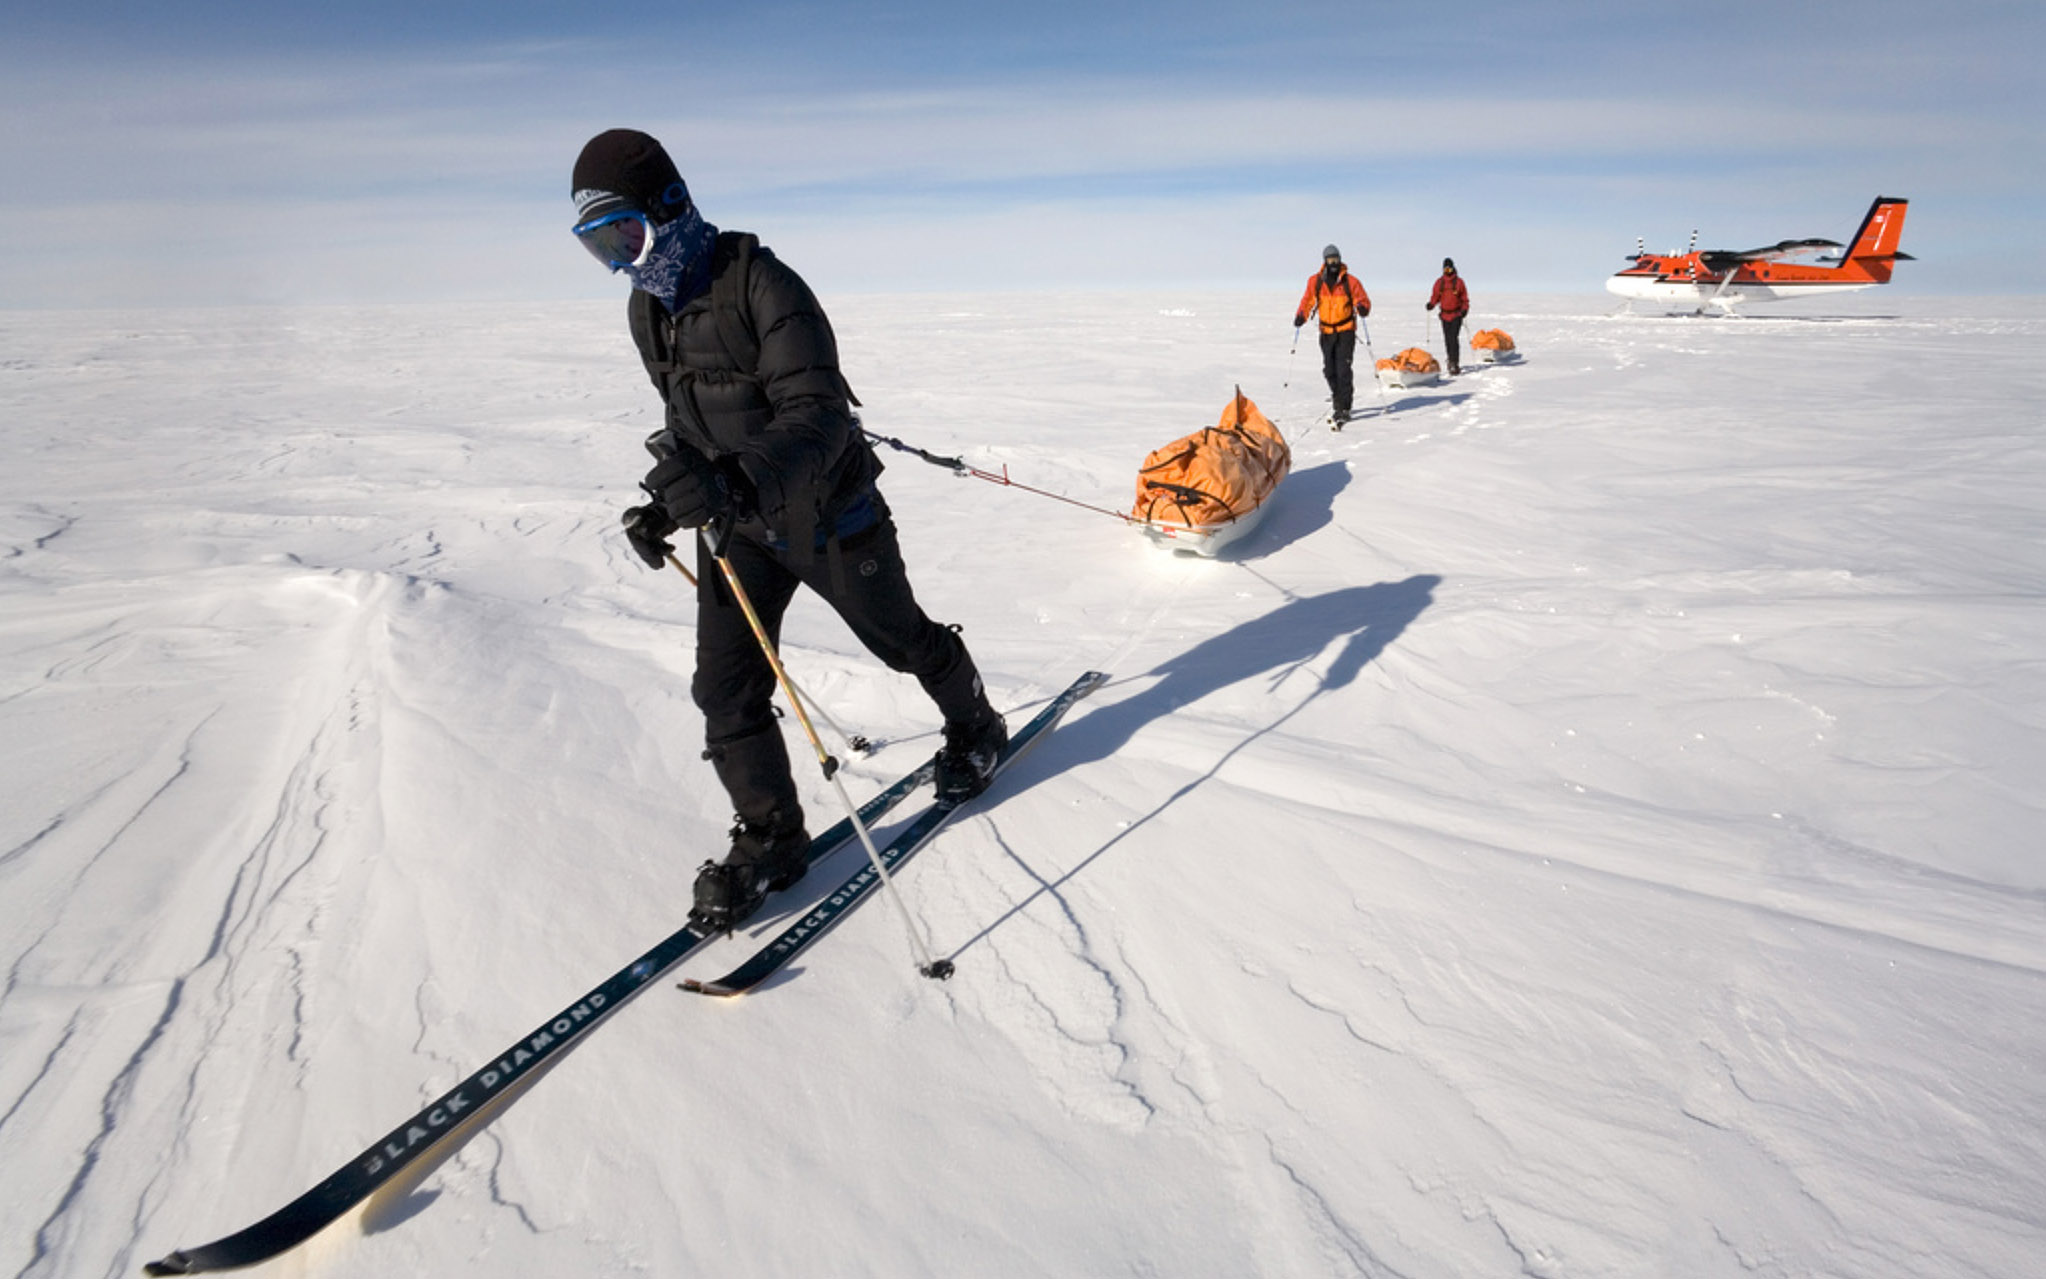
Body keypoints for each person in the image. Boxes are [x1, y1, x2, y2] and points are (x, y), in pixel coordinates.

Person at [569, 128, 1007, 931]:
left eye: (627, 234)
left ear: (671, 207)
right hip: (739, 528)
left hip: (829, 516)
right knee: (725, 689)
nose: (624, 261)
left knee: (903, 642)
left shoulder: (763, 285)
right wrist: (670, 503)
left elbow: (820, 416)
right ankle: (772, 836)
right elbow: (689, 421)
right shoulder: (649, 310)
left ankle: (976, 724)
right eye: (600, 247)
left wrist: (735, 480)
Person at [1293, 245, 1373, 422]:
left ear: (1340, 259)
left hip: (1346, 331)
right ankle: (1337, 398)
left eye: (1335, 259)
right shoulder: (1316, 281)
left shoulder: (1350, 281)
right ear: (1325, 261)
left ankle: (1344, 407)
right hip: (1326, 332)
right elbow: (1307, 300)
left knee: (1343, 369)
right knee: (1329, 370)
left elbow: (1362, 299)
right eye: (1330, 260)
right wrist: (1301, 316)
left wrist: (1363, 308)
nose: (1333, 263)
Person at [1426, 257, 1470, 375]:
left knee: (1453, 338)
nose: (1447, 271)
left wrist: (1465, 310)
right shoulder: (1439, 283)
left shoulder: (1459, 282)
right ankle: (1450, 360)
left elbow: (1465, 299)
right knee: (1447, 339)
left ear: (1453, 268)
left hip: (1456, 315)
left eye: (1449, 269)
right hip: (1444, 315)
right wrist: (1431, 304)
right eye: (1445, 269)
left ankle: (1455, 363)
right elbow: (1435, 296)